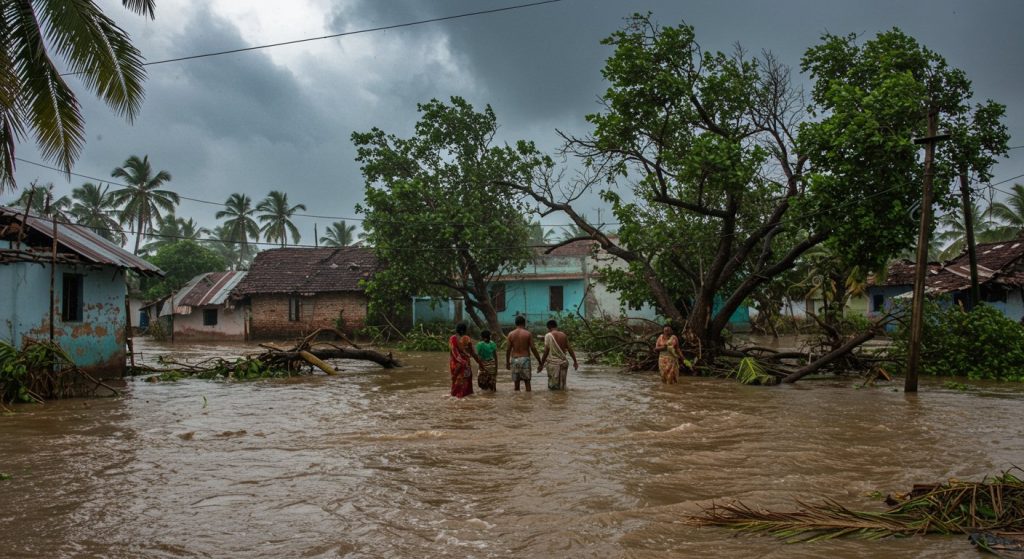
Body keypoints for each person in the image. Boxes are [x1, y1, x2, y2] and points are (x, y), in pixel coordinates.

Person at [538, 319, 578, 390]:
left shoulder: (548, 335)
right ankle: (563, 400)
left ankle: (556, 400)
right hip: (564, 363)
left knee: (553, 388)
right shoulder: (563, 335)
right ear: (556, 326)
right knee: (563, 386)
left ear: (549, 327)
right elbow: (570, 349)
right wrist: (575, 361)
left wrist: (541, 364)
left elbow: (546, 352)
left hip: (553, 364)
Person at [505, 315, 541, 392]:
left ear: (516, 323)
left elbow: (508, 349)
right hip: (525, 359)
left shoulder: (510, 334)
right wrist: (539, 361)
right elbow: (533, 348)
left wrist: (507, 362)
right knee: (527, 383)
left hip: (515, 359)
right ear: (524, 323)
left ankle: (517, 402)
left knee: (516, 385)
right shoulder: (528, 334)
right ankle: (528, 401)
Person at [449, 323, 483, 398]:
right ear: (465, 330)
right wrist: (480, 363)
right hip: (466, 364)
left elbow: (454, 352)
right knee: (466, 384)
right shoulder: (467, 338)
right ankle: (465, 400)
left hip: (456, 364)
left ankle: (455, 399)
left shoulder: (453, 338)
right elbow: (473, 353)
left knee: (456, 382)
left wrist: (460, 362)